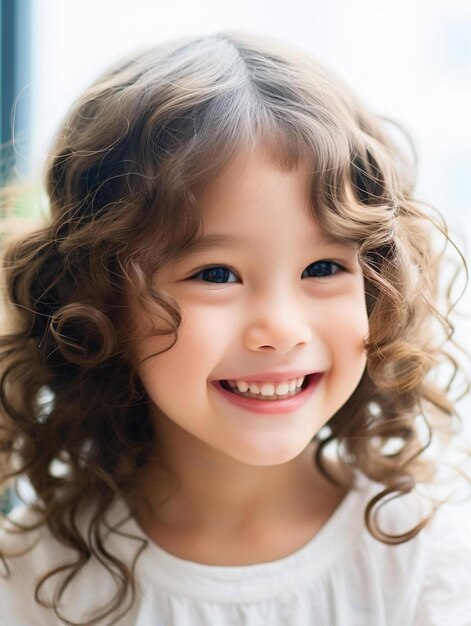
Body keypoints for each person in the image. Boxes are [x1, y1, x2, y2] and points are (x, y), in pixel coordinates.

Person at [0, 31, 470, 626]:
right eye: (216, 274)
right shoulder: (40, 566)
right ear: (100, 299)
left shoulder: (422, 560)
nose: (280, 329)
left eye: (323, 267)